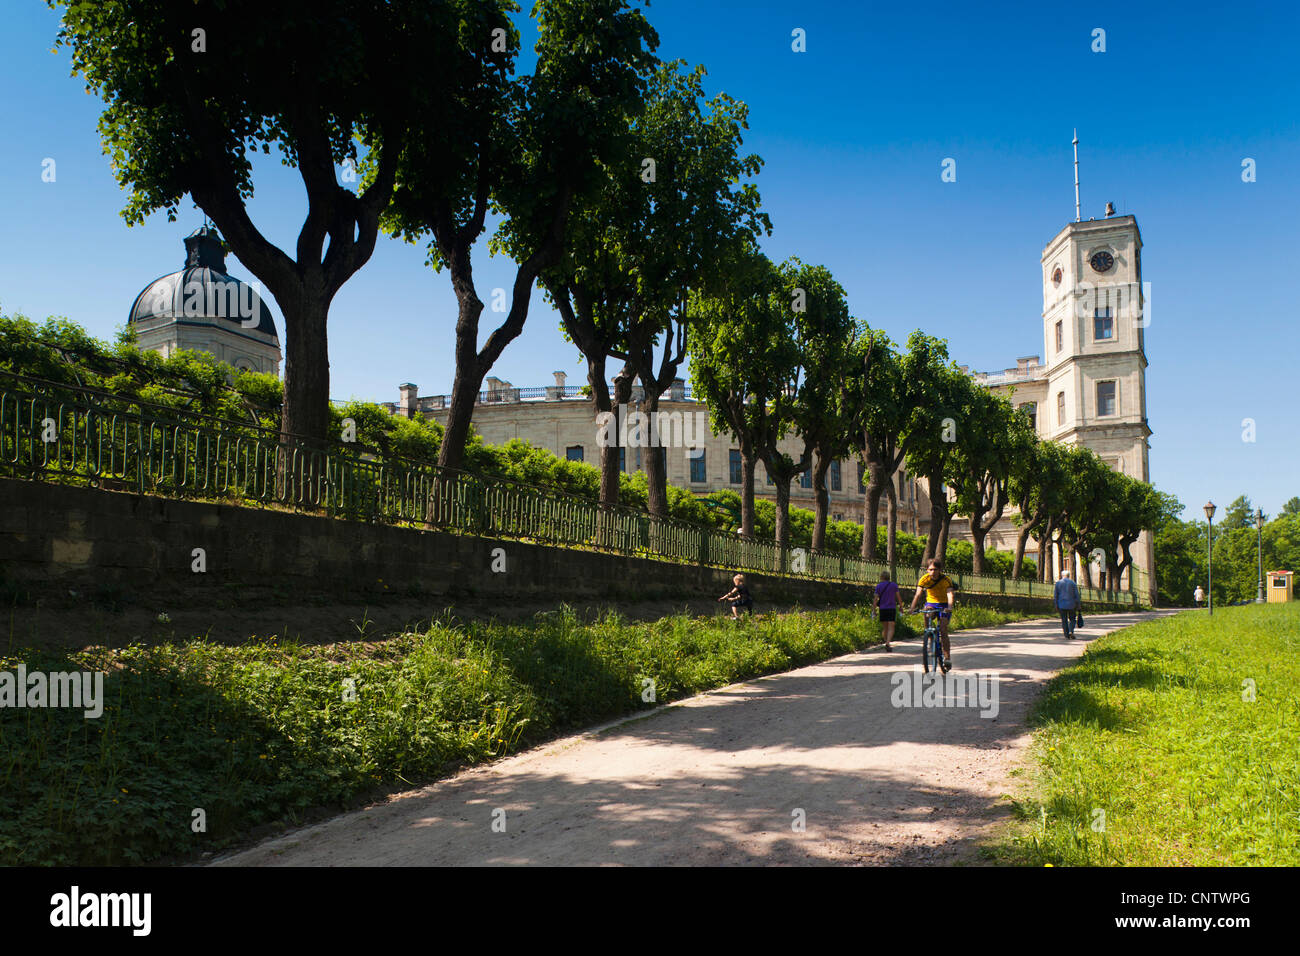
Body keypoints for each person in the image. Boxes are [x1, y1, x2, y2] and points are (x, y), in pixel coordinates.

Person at [908, 558, 956, 670]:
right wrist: (912, 608)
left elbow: (950, 595)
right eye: (930, 569)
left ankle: (947, 657)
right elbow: (918, 594)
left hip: (944, 605)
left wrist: (949, 607)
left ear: (939, 570)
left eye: (935, 569)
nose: (932, 572)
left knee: (943, 630)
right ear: (927, 570)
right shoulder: (924, 579)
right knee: (927, 612)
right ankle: (929, 637)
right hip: (931, 603)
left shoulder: (946, 580)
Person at [872, 571, 900, 651]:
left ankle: (886, 642)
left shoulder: (878, 586)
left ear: (881, 577)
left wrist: (874, 610)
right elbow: (898, 597)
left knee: (885, 628)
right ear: (889, 577)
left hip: (882, 609)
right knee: (891, 626)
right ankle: (888, 642)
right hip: (891, 608)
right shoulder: (894, 585)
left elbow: (875, 599)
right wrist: (901, 606)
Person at [1054, 568, 1081, 639]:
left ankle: (1066, 634)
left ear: (1062, 575)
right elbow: (1077, 595)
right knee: (1072, 619)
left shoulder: (1058, 583)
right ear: (1069, 576)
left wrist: (1056, 604)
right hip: (1072, 605)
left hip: (1061, 605)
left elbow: (1056, 595)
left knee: (1064, 619)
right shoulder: (1073, 583)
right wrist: (1078, 605)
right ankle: (1071, 630)